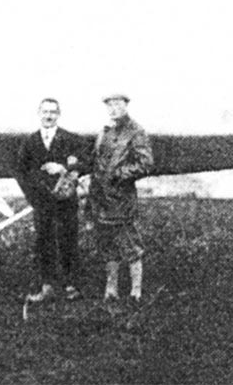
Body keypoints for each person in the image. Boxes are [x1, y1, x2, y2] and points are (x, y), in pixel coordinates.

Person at [15, 98, 92, 302]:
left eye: (52, 112)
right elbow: (20, 172)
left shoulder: (71, 139)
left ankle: (71, 285)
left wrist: (64, 168)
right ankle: (46, 286)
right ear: (39, 113)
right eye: (45, 112)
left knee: (68, 239)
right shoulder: (30, 142)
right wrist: (33, 197)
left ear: (59, 115)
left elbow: (87, 162)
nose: (48, 116)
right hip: (42, 202)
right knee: (43, 241)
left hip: (66, 201)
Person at [90, 93, 154, 302]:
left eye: (117, 104)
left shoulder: (136, 131)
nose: (113, 109)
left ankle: (136, 291)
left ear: (126, 105)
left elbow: (146, 163)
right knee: (107, 244)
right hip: (102, 198)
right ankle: (111, 290)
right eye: (109, 105)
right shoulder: (104, 132)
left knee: (130, 244)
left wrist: (120, 174)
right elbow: (96, 161)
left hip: (121, 198)